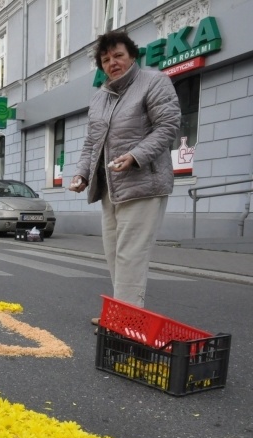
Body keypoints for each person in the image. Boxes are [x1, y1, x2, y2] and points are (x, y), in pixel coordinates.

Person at [69, 31, 180, 324]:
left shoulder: (154, 82)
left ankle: (125, 320)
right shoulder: (100, 98)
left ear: (132, 55)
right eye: (106, 59)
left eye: (118, 55)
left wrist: (135, 156)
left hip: (144, 184)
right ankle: (123, 313)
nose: (112, 63)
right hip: (110, 188)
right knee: (114, 253)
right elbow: (92, 144)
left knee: (131, 254)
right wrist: (81, 173)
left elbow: (167, 127)